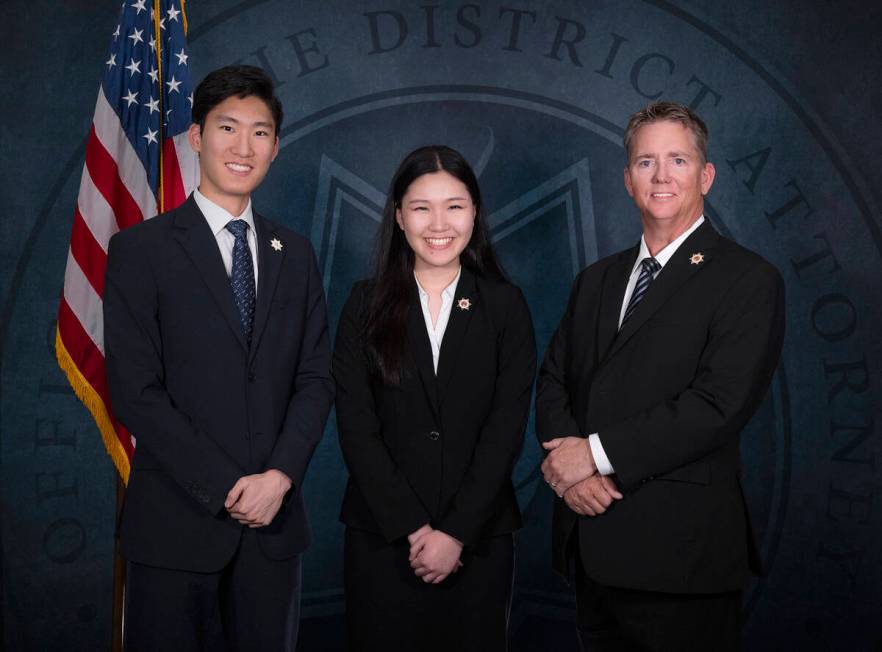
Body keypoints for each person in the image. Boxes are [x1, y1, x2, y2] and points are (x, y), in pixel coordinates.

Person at [536, 101, 785, 651]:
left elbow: (717, 405)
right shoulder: (596, 280)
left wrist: (593, 454)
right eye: (646, 162)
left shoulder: (748, 279)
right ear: (628, 180)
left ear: (706, 175)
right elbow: (554, 377)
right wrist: (573, 476)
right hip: (593, 544)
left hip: (682, 559)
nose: (662, 175)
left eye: (678, 159)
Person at [104, 65, 334, 651]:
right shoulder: (141, 250)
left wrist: (278, 478)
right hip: (175, 526)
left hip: (274, 529)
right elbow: (135, 391)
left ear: (276, 148)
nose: (243, 146)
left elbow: (315, 378)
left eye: (259, 133)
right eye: (227, 128)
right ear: (196, 137)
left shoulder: (296, 253)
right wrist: (232, 486)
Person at [333, 145, 536, 651]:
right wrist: (413, 527)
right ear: (399, 217)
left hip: (479, 539)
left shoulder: (505, 305)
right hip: (382, 537)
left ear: (475, 214)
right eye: (421, 207)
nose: (438, 223)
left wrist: (454, 533)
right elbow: (356, 427)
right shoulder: (364, 303)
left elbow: (505, 429)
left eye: (455, 205)